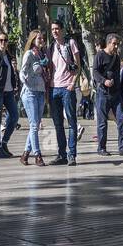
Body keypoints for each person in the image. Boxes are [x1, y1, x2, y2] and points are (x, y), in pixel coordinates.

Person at [48, 20, 83, 165]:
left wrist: (72, 83)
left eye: (57, 29)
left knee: (71, 121)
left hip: (67, 89)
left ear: (62, 30)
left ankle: (72, 154)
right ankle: (61, 154)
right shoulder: (52, 46)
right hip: (54, 88)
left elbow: (78, 65)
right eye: (52, 29)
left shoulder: (71, 43)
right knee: (57, 123)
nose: (55, 31)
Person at [0, 32, 21, 159]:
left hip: (9, 92)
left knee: (15, 116)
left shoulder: (9, 55)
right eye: (1, 40)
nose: (3, 42)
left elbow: (12, 72)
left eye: (5, 40)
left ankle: (4, 142)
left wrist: (14, 85)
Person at [19, 30, 49, 165]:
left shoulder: (41, 55)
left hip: (41, 92)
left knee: (35, 125)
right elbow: (22, 71)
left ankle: (25, 154)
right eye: (39, 39)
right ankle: (37, 155)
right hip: (30, 92)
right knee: (34, 125)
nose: (41, 40)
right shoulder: (29, 54)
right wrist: (25, 81)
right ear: (33, 40)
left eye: (42, 39)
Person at [92, 34, 123, 154]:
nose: (116, 46)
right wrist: (104, 81)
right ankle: (101, 148)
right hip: (103, 93)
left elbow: (117, 74)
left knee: (121, 119)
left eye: (117, 44)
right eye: (114, 44)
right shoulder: (100, 55)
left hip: (115, 93)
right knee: (102, 122)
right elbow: (95, 72)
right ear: (108, 43)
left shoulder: (116, 57)